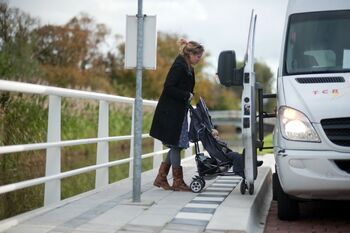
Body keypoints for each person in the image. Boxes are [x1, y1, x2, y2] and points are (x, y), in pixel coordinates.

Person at [150, 39, 204, 191]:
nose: (199, 59)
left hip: (178, 112)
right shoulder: (179, 66)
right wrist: (186, 95)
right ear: (190, 54)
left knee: (176, 145)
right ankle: (177, 181)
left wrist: (188, 95)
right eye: (198, 56)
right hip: (171, 113)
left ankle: (161, 178)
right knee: (176, 144)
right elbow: (168, 87)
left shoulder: (188, 67)